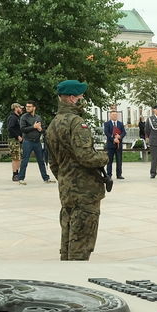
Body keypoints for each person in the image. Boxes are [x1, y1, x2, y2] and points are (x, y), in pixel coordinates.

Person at [46, 79, 109, 261]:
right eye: (81, 96)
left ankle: (67, 277)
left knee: (67, 240)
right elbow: (86, 157)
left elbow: (53, 163)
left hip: (67, 190)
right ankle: (77, 279)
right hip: (84, 191)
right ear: (72, 98)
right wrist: (104, 157)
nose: (84, 99)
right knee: (81, 242)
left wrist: (66, 178)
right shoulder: (76, 123)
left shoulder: (53, 124)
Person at [17, 100, 50, 184]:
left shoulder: (38, 117)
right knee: (25, 160)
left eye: (29, 106)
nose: (27, 108)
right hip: (27, 141)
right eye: (26, 106)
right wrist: (33, 127)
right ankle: (21, 178)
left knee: (41, 161)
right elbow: (22, 129)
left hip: (37, 142)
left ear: (34, 107)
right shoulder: (24, 117)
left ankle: (46, 178)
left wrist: (40, 129)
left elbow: (43, 129)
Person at [103, 111, 126, 180]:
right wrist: (113, 139)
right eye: (113, 115)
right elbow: (107, 133)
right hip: (110, 145)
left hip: (118, 145)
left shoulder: (120, 124)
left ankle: (119, 175)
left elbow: (124, 132)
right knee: (109, 161)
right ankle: (109, 174)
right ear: (110, 116)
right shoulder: (107, 124)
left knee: (119, 160)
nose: (115, 116)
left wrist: (120, 136)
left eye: (116, 115)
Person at [6, 103, 24, 181]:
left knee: (18, 157)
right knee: (15, 157)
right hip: (14, 140)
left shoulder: (17, 117)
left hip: (17, 140)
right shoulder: (13, 117)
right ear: (16, 108)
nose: (22, 109)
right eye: (20, 108)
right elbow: (10, 128)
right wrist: (18, 136)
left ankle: (18, 173)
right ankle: (15, 174)